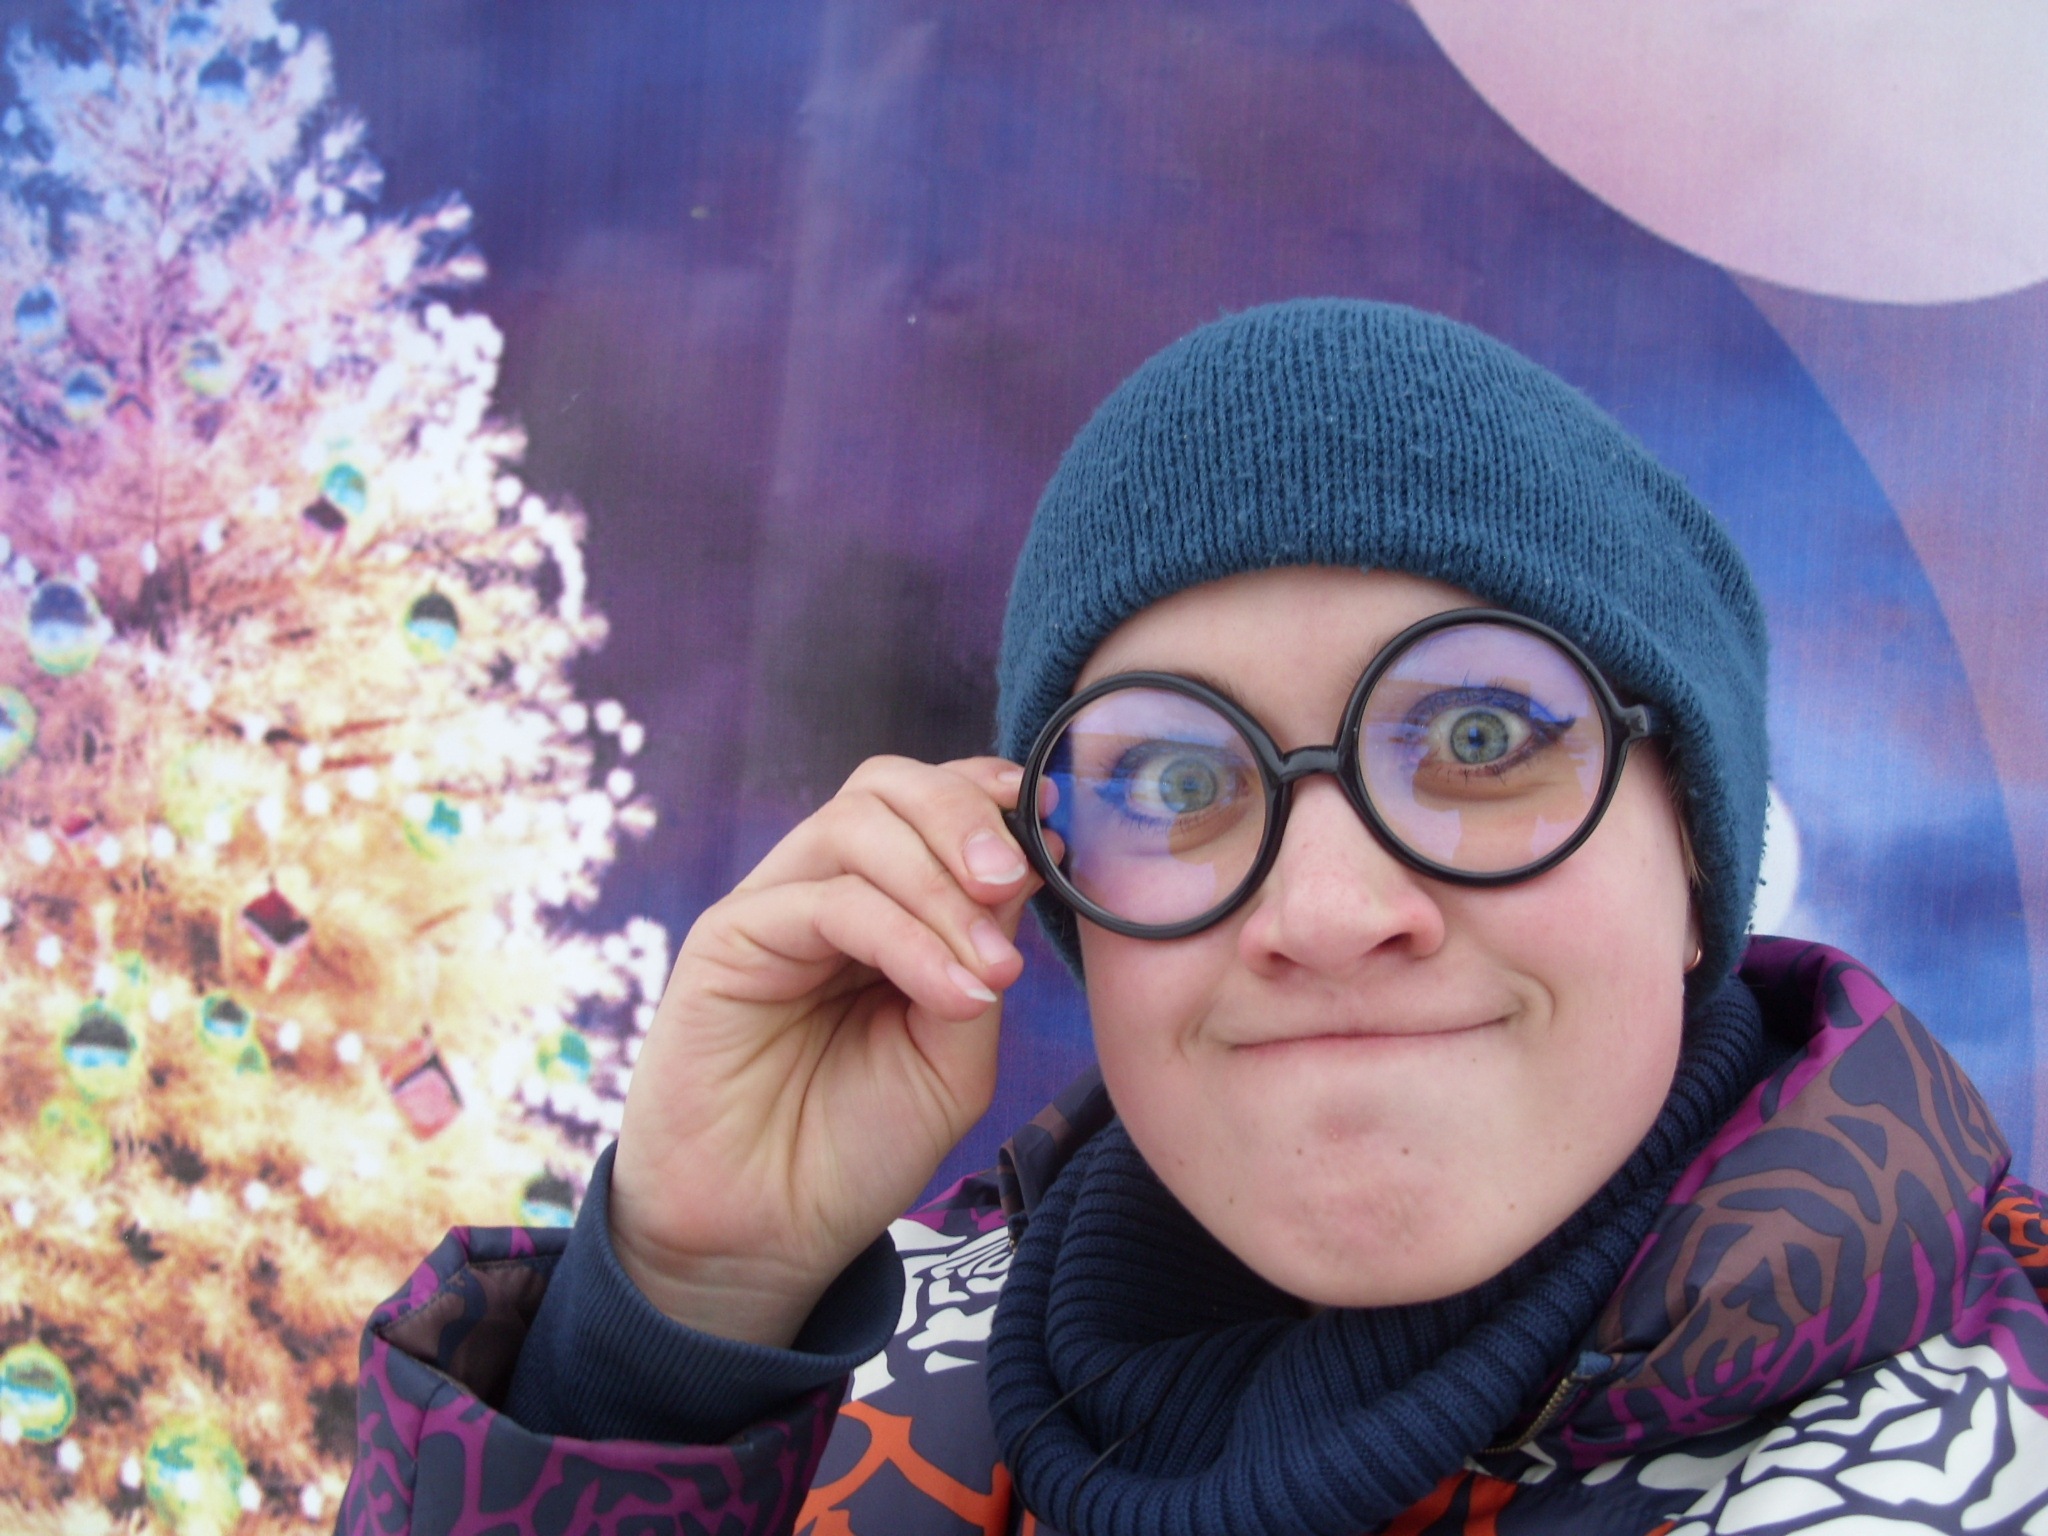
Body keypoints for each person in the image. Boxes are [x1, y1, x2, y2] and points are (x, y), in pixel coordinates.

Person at [340, 301, 2048, 1536]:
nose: (1327, 909)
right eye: (1174, 778)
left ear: (1696, 858)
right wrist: (677, 1328)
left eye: (1479, 741)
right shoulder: (856, 1388)